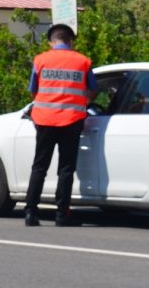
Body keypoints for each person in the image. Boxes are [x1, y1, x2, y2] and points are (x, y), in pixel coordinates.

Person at [24, 23, 96, 227]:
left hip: (44, 120)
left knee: (39, 166)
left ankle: (30, 213)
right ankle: (62, 215)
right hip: (71, 121)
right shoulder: (83, 61)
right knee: (66, 168)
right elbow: (92, 90)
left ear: (51, 42)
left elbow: (33, 90)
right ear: (70, 41)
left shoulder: (40, 60)